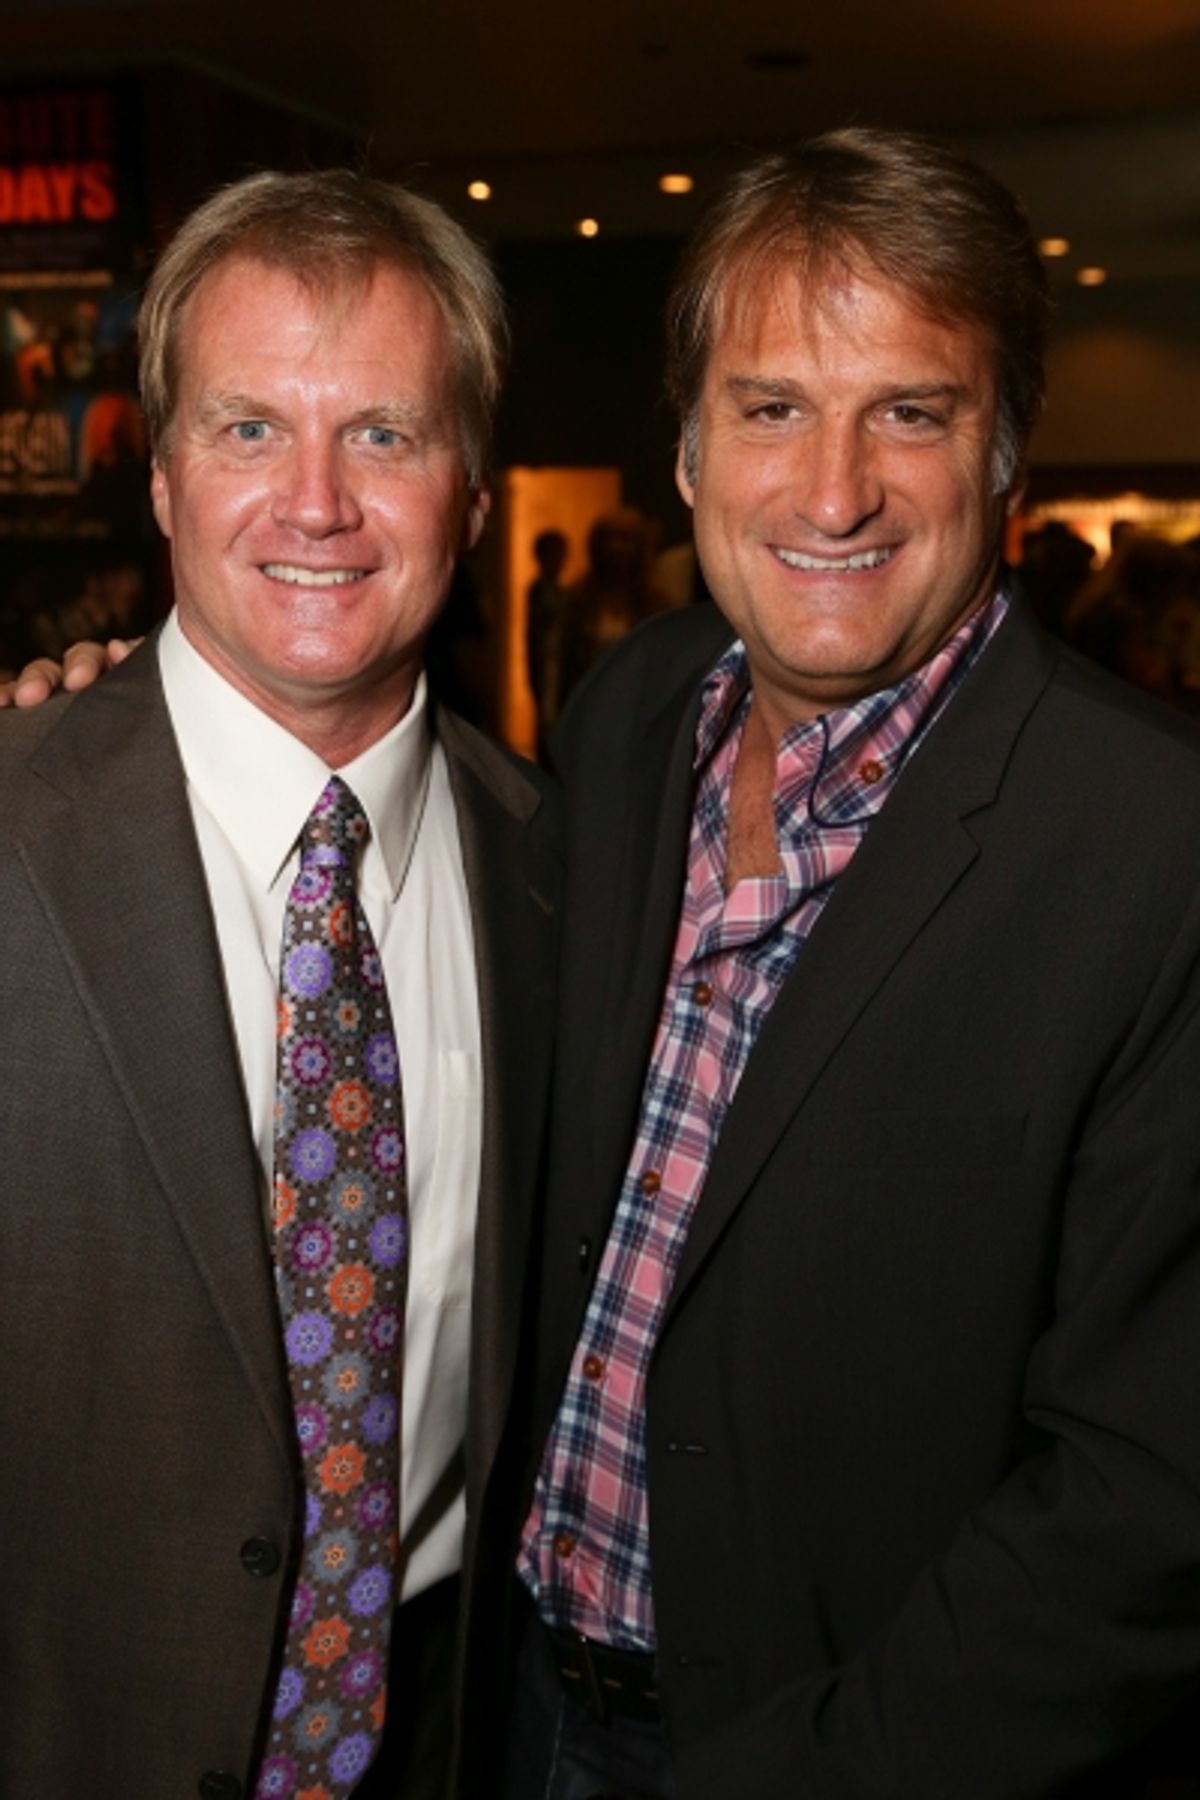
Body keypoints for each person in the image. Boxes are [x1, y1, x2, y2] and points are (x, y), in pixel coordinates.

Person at [504, 129, 1200, 1798]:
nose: (832, 492)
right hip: (515, 1708)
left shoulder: (1156, 847)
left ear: (1006, 454)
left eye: (911, 410)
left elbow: (1150, 1502)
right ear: (684, 454)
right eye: (771, 408)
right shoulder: (625, 720)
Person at [0, 169, 561, 1800]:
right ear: (160, 476)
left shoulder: (564, 872)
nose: (314, 504)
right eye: (249, 429)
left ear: (470, 490)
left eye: (383, 434)